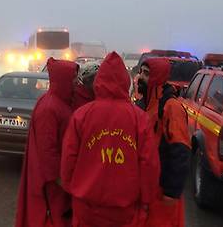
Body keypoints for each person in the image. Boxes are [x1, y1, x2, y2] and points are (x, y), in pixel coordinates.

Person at [60, 52, 159, 227]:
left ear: (99, 81)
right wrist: (147, 199)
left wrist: (72, 188)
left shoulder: (81, 116)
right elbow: (148, 163)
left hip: (86, 209)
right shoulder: (139, 119)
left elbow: (69, 159)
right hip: (125, 212)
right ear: (125, 81)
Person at [15, 58, 79, 227]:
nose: (76, 82)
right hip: (51, 185)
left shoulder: (59, 101)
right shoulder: (49, 107)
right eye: (73, 78)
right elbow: (47, 152)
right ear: (63, 79)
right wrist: (63, 182)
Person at [136, 58, 190, 227]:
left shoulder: (171, 107)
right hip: (146, 189)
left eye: (146, 73)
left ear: (157, 77)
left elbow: (181, 149)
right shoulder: (142, 104)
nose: (140, 77)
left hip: (162, 191)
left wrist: (171, 191)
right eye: (140, 72)